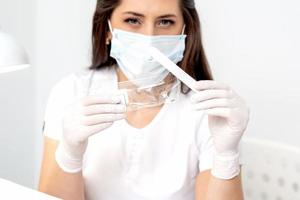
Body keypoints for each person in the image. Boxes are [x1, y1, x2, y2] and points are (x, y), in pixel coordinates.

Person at [38, 0, 249, 199]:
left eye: (165, 22)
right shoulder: (72, 92)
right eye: (133, 20)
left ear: (186, 31)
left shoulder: (207, 109)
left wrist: (226, 156)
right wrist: (69, 154)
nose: (149, 38)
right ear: (106, 29)